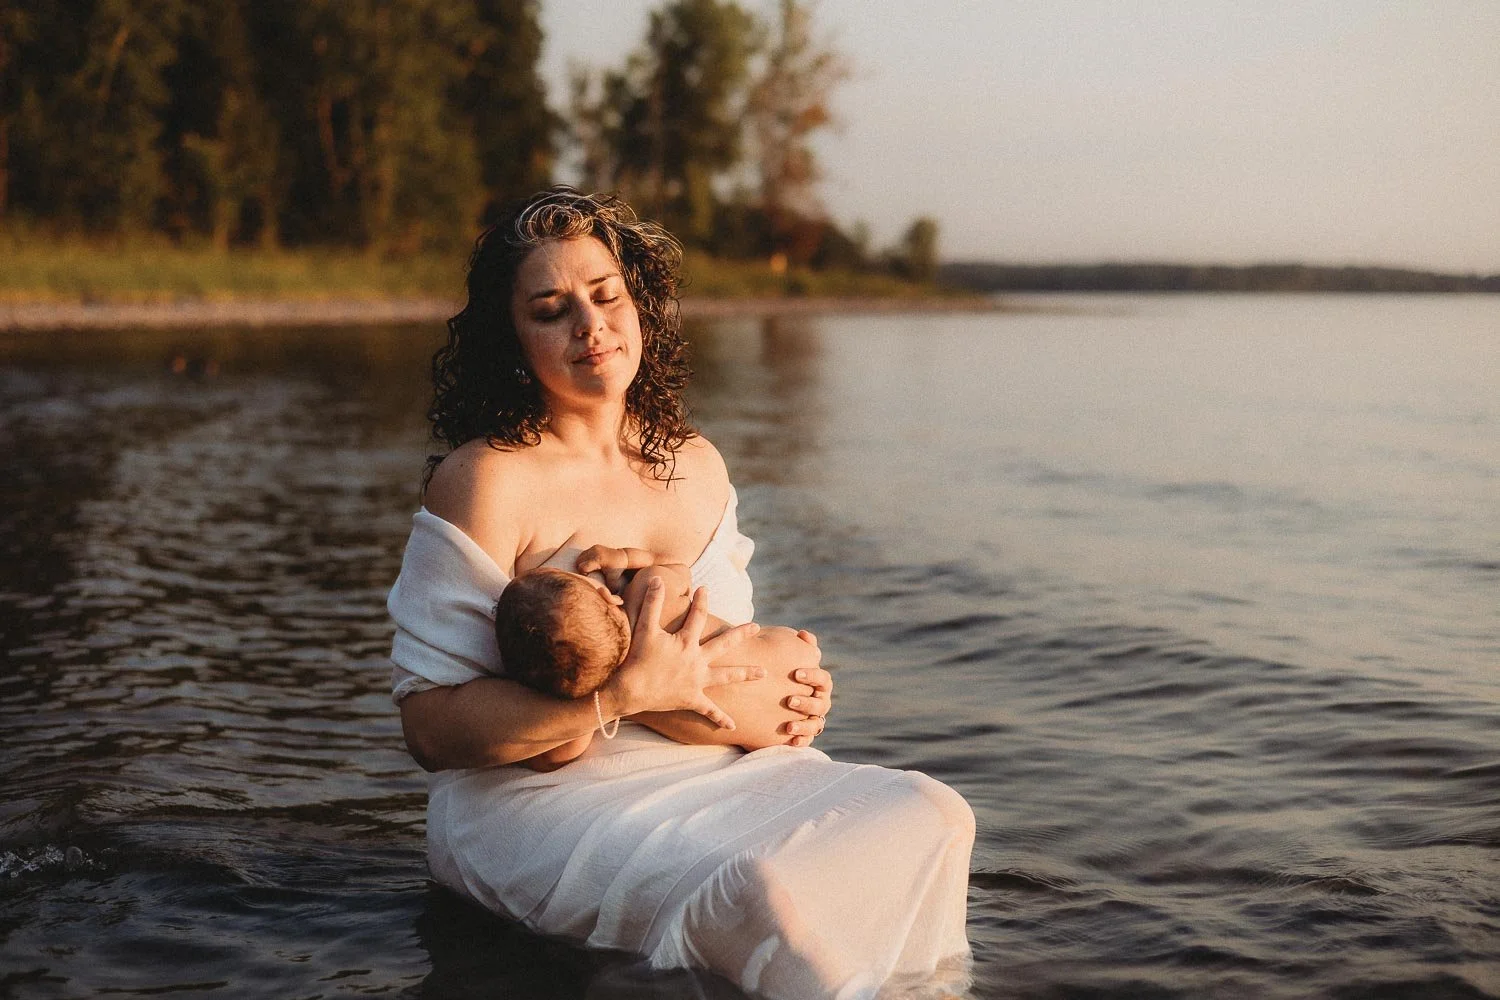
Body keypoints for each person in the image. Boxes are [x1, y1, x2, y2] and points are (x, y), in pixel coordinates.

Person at [387, 187, 974, 998]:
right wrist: (617, 696)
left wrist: (794, 692)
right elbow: (430, 727)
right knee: (760, 897)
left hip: (714, 769)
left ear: (640, 307)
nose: (590, 327)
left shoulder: (695, 465)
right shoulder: (488, 481)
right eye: (552, 310)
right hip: (535, 796)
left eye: (605, 297)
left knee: (932, 812)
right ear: (512, 339)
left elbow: (721, 659)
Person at [494, 548, 824, 771]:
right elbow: (676, 567)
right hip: (797, 662)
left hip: (775, 734)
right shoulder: (648, 598)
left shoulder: (587, 702)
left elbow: (555, 755)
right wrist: (624, 558)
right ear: (604, 594)